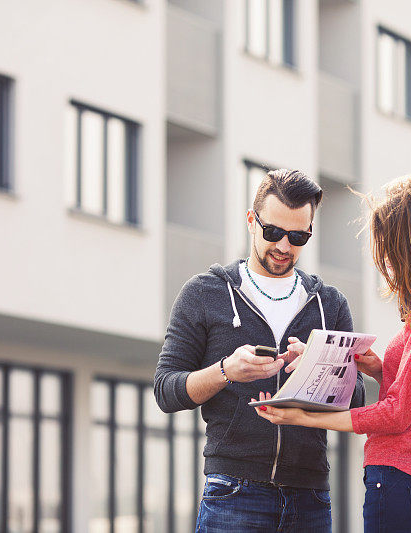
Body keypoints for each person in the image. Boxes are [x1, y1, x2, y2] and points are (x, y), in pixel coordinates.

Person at [254, 174, 411, 533]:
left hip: (404, 482)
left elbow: (396, 415)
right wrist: (376, 368)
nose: (387, 261)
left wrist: (303, 417)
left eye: (391, 247)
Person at [154, 168, 365, 532]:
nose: (284, 246)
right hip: (233, 493)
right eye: (273, 232)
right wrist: (224, 371)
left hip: (310, 496)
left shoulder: (329, 305)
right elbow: (165, 390)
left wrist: (318, 369)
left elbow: (358, 401)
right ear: (252, 221)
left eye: (298, 236)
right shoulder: (205, 293)